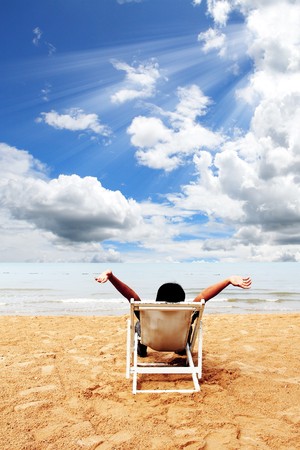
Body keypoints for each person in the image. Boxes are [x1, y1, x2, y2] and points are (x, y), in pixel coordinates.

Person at [95, 269, 251, 356]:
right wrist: (228, 280)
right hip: (178, 344)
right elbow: (204, 296)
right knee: (189, 326)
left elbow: (130, 296)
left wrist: (111, 276)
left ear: (158, 298)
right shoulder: (188, 312)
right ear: (181, 299)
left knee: (138, 324)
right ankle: (183, 351)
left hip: (153, 343)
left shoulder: (147, 311)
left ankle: (141, 350)